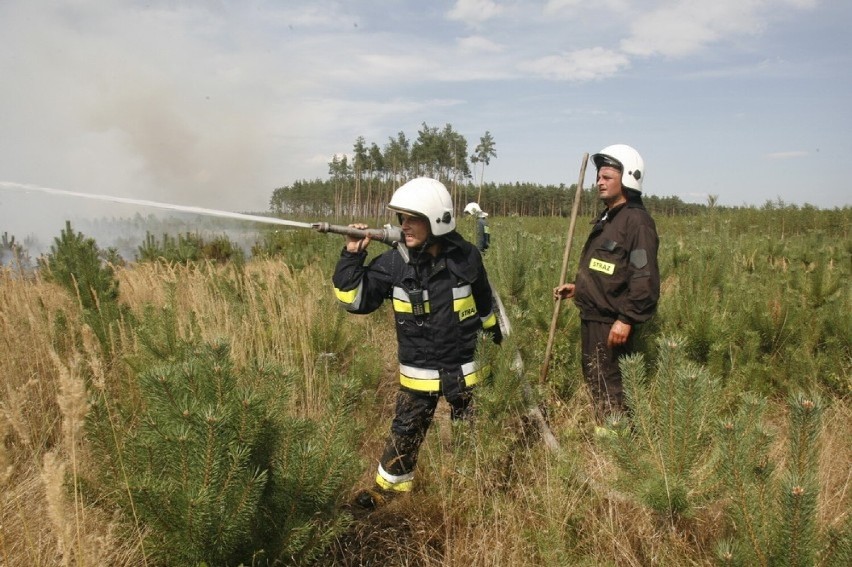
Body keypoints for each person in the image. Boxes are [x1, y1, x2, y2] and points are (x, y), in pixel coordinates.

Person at [333, 177, 503, 509]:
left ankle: (475, 494)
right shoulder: (394, 264)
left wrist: (499, 346)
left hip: (466, 374)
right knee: (405, 435)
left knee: (473, 439)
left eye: (413, 218)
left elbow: (485, 307)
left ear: (436, 220)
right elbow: (353, 300)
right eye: (401, 219)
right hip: (419, 377)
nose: (404, 226)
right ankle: (388, 495)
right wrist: (351, 256)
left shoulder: (466, 258)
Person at [553, 144, 660, 431]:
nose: (599, 182)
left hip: (611, 323)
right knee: (595, 380)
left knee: (610, 385)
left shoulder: (636, 222)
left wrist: (626, 319)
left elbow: (643, 276)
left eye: (607, 176)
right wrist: (578, 288)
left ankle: (618, 447)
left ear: (628, 179)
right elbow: (607, 268)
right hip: (592, 316)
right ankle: (606, 437)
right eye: (598, 177)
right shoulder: (609, 219)